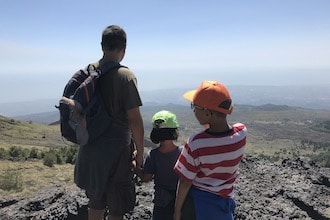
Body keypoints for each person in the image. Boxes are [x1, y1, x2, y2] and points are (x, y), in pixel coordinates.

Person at [73, 25, 144, 220]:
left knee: (95, 204)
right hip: (117, 154)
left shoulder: (88, 71)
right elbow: (135, 121)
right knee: (116, 209)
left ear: (102, 46)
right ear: (124, 48)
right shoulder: (125, 76)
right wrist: (140, 154)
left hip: (90, 150)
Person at [173, 81, 247, 220]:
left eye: (194, 107)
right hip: (224, 205)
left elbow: (185, 182)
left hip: (200, 205)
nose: (193, 110)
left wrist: (177, 211)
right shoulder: (242, 133)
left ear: (207, 113)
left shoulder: (196, 143)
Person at [133, 110, 183, 220]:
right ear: (174, 131)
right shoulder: (182, 153)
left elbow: (146, 178)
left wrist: (134, 165)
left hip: (161, 201)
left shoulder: (154, 155)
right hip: (182, 199)